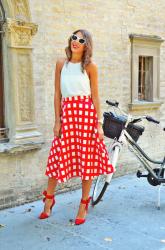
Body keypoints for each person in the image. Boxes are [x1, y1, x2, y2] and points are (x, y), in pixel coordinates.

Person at [39, 29, 115, 225]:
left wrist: (98, 124)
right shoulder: (60, 64)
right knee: (57, 158)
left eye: (81, 40)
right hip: (67, 116)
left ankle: (83, 204)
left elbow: (95, 96)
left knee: (86, 162)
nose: (76, 41)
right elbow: (57, 94)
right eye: (74, 37)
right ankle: (49, 199)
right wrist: (57, 120)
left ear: (86, 45)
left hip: (86, 117)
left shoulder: (90, 67)